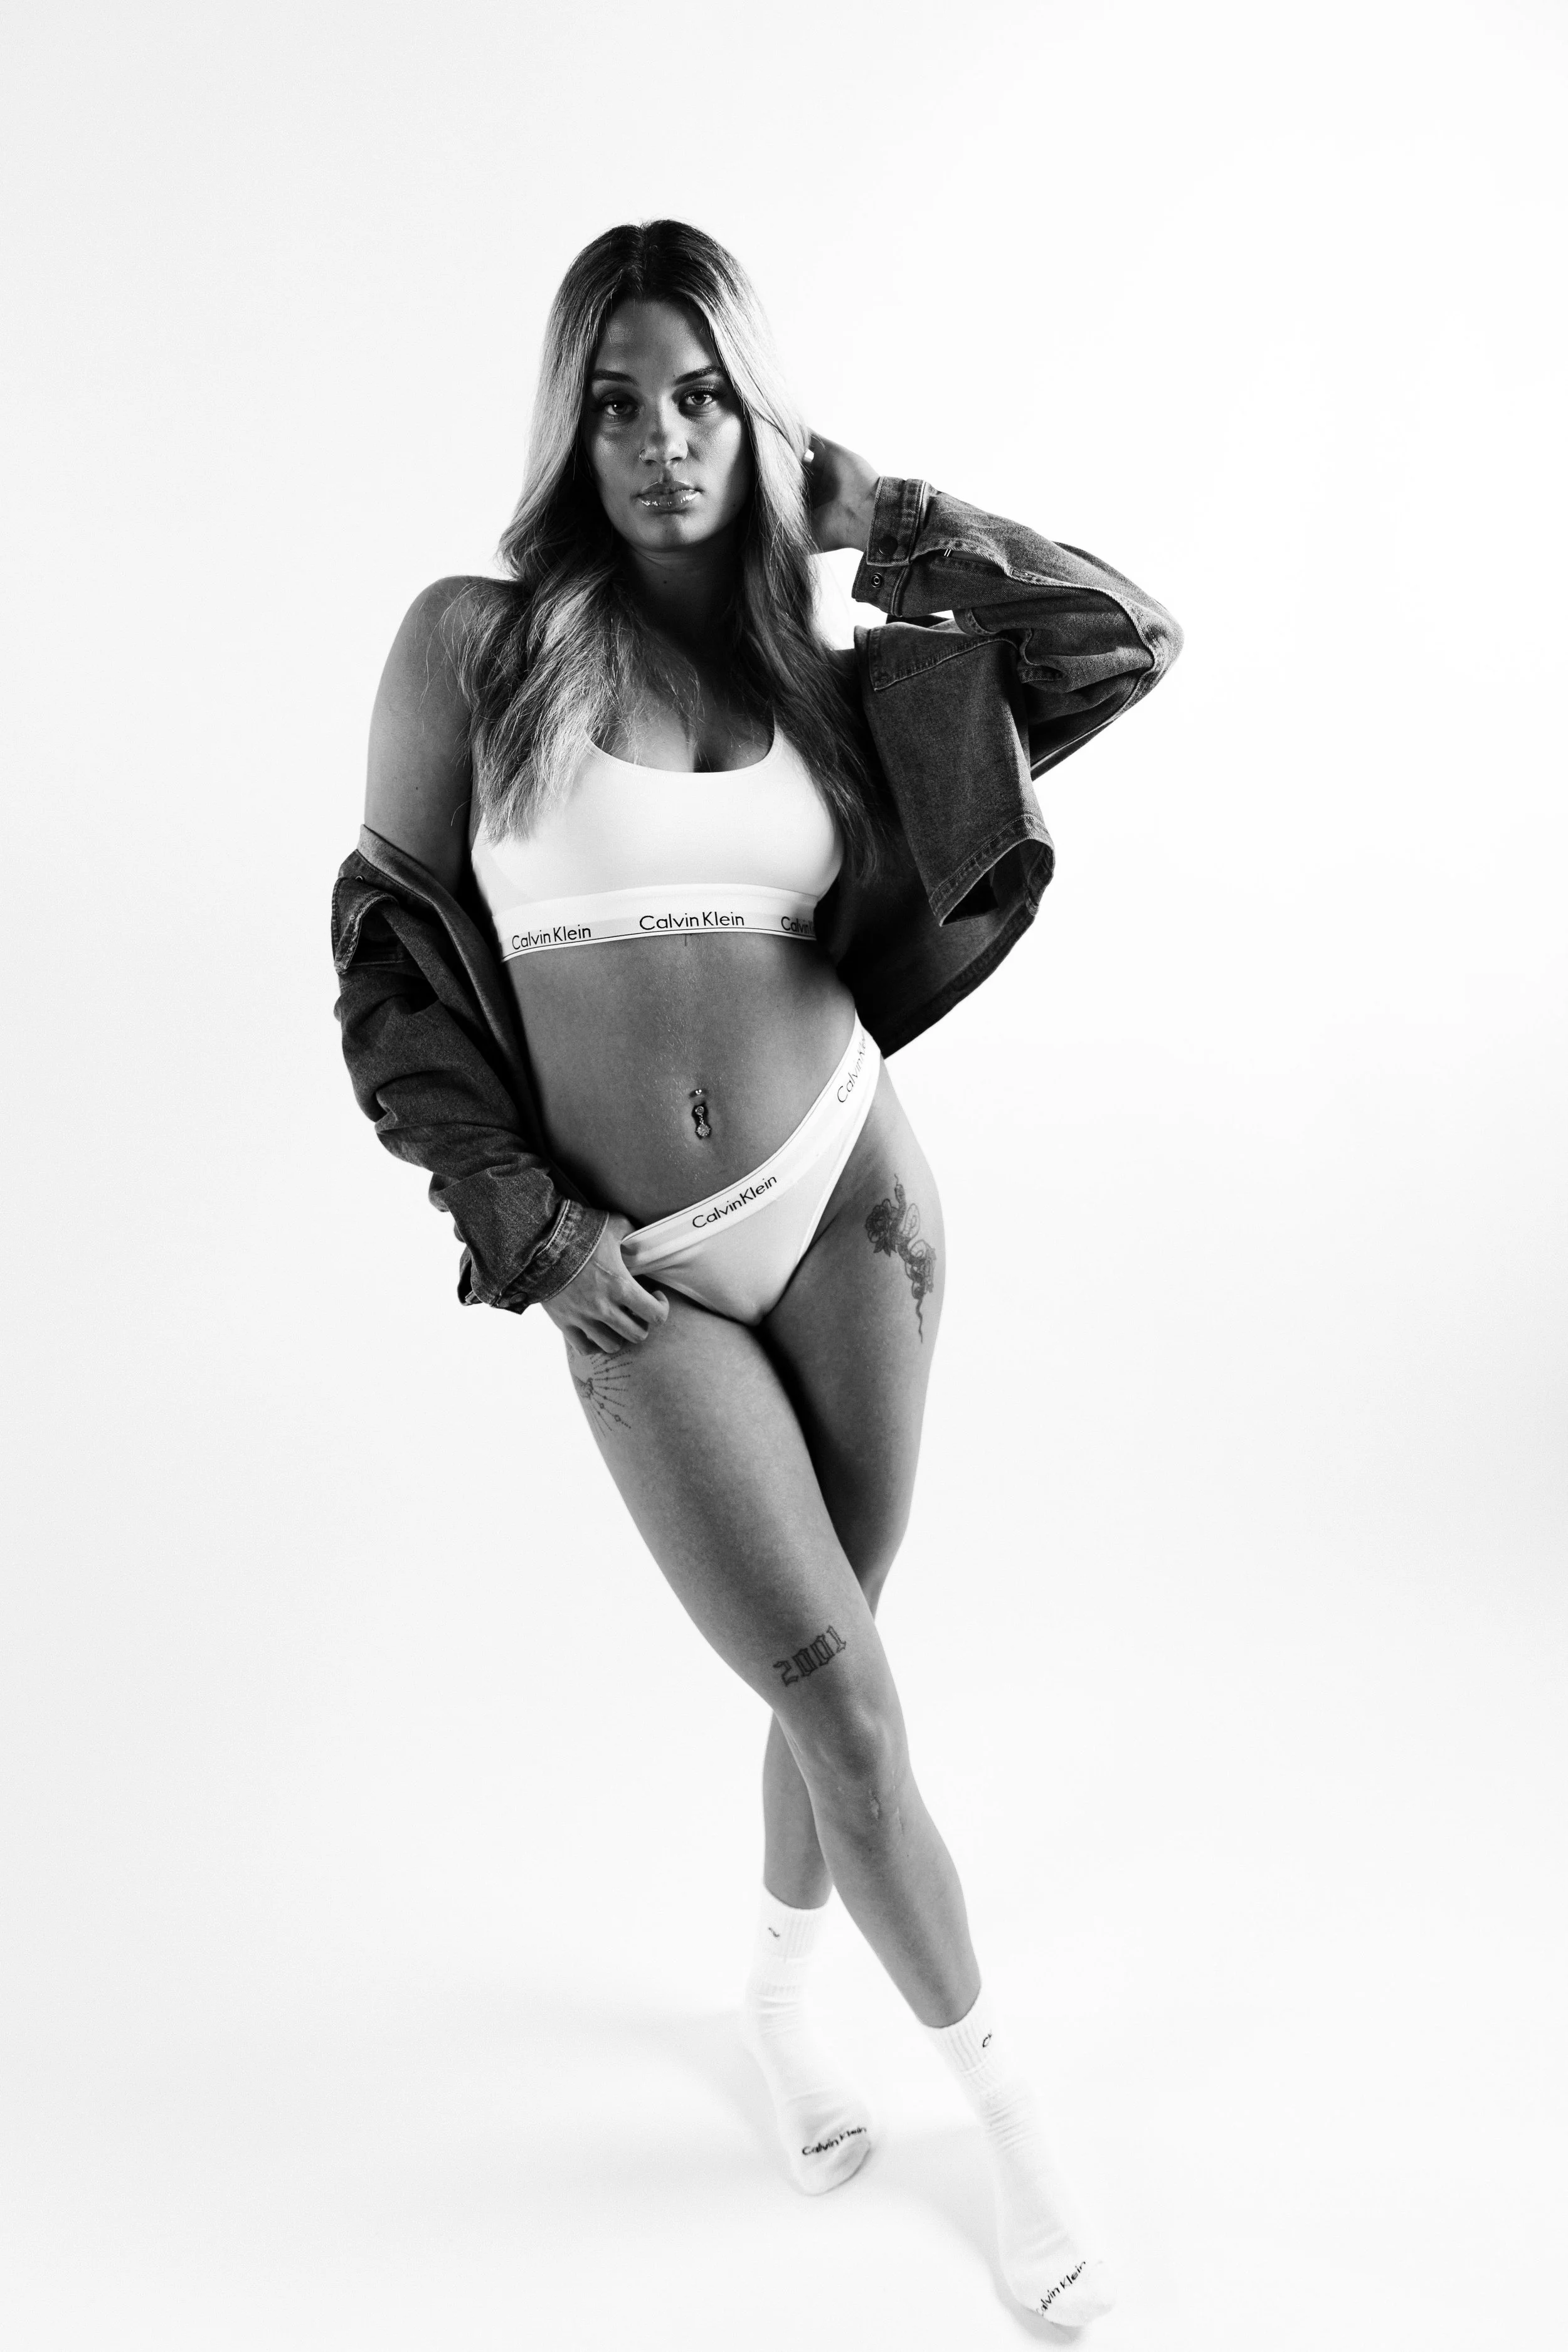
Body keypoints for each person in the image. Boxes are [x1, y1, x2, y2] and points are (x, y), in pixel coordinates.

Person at [332, 219, 1180, 2324]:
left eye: (701, 395)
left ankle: (785, 1995)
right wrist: (528, 1230)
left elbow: (1121, 639)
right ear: (568, 427)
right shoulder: (475, 651)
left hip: (852, 1202)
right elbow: (383, 961)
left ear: (757, 411)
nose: (661, 442)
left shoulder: (833, 666)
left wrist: (880, 512)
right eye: (616, 403)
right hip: (639, 1275)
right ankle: (1013, 2131)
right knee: (839, 1693)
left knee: (837, 1670)